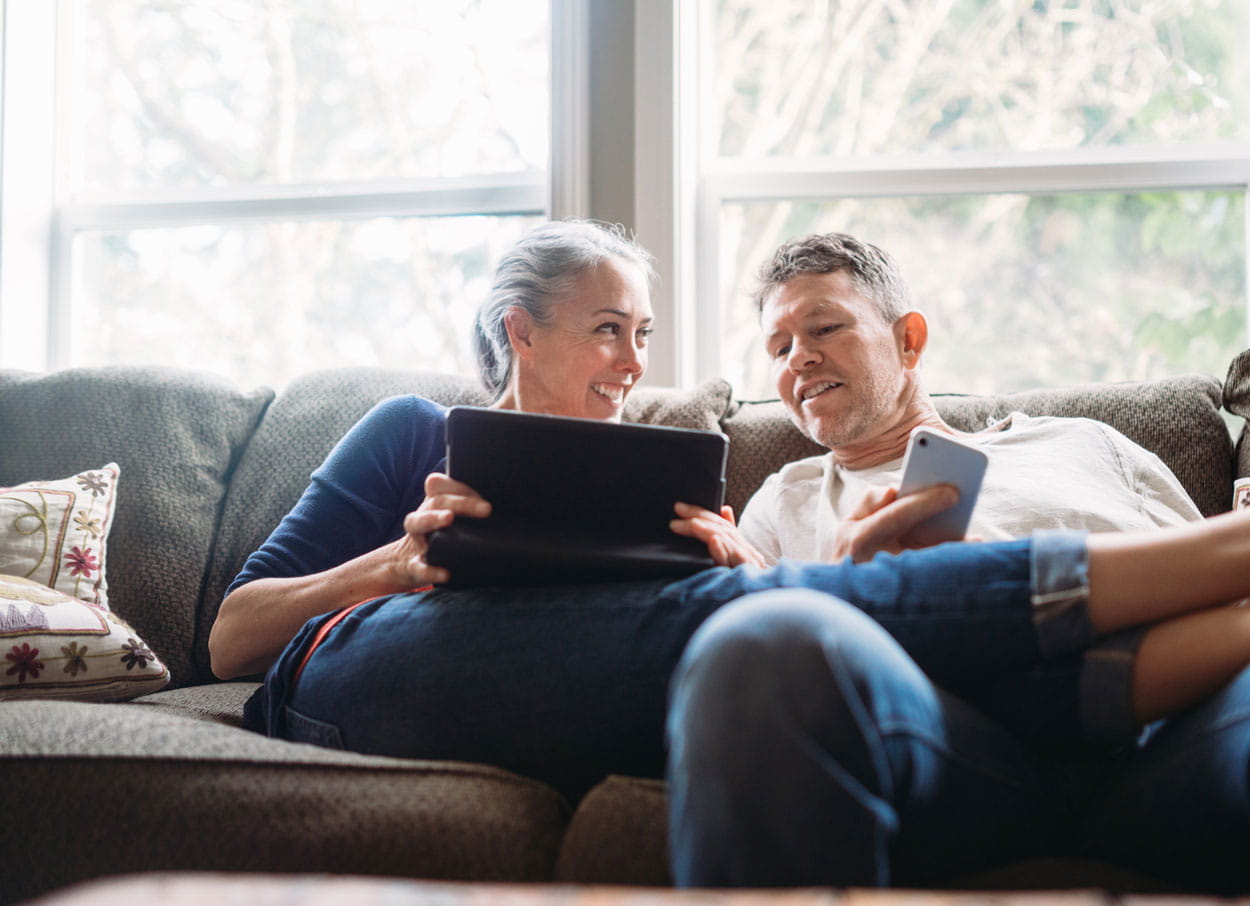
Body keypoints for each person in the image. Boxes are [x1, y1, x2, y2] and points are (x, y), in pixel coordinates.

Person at [664, 232, 1250, 893]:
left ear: (909, 341)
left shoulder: (1086, 446)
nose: (799, 356)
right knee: (760, 643)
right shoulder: (783, 501)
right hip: (959, 752)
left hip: (1162, 744)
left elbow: (1224, 603)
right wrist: (776, 588)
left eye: (823, 326)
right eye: (778, 347)